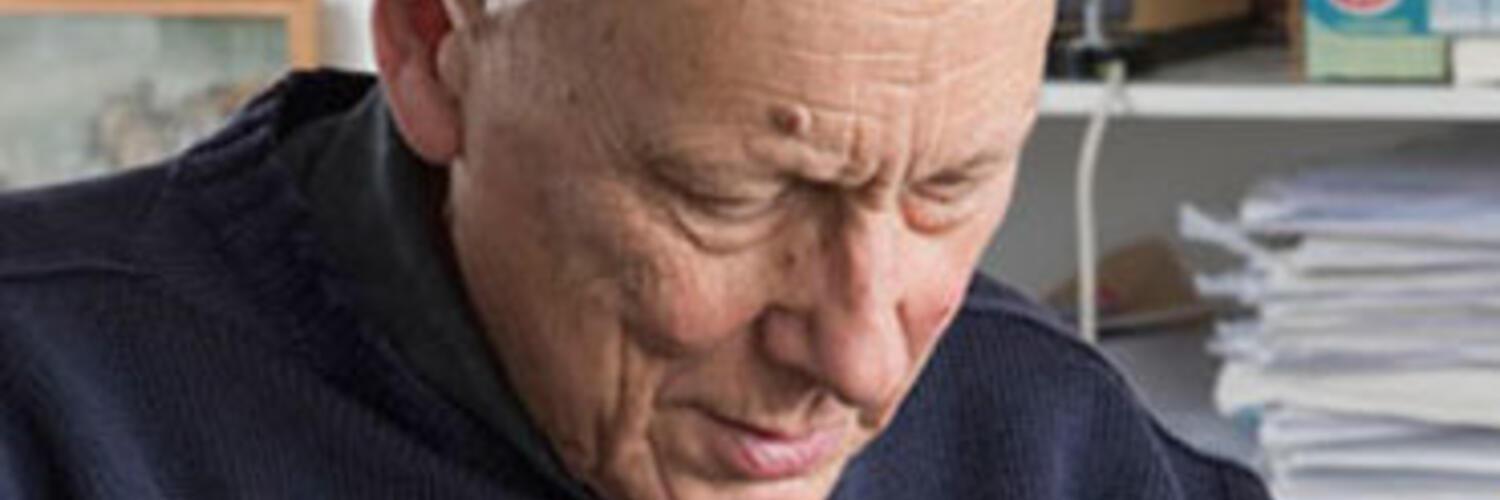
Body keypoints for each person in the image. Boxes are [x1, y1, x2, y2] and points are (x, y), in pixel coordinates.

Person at [0, 0, 1270, 498]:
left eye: (949, 184)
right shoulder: (46, 414)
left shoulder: (1053, 448)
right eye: (730, 198)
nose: (864, 359)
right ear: (435, 45)